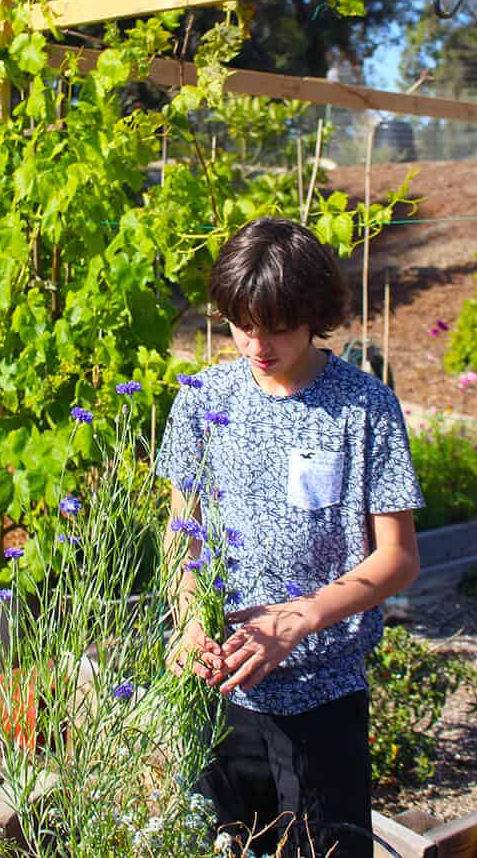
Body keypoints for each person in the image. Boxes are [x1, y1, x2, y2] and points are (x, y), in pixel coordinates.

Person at [157, 217, 424, 857]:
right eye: (241, 324)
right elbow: (181, 537)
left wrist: (298, 620)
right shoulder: (202, 398)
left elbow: (398, 557)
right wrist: (192, 622)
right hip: (224, 685)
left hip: (324, 693)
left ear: (313, 314)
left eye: (276, 325)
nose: (256, 343)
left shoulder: (364, 407)